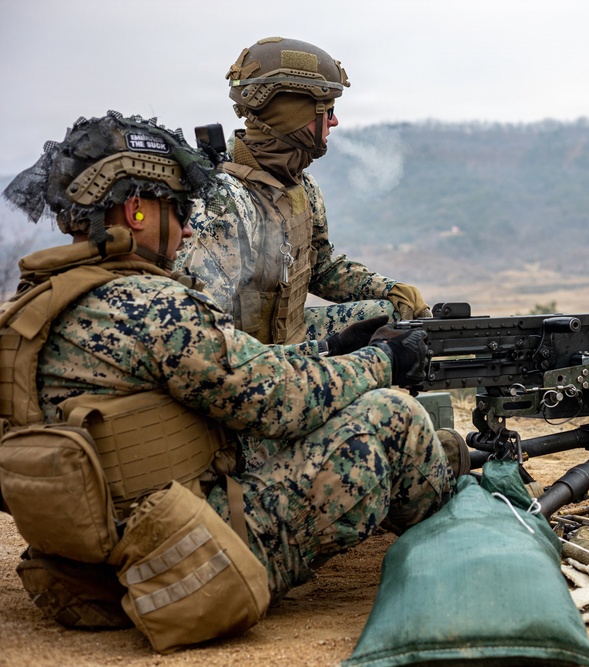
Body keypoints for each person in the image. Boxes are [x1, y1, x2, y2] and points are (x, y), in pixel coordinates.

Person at [0, 112, 454, 650]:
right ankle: (454, 514)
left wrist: (328, 350)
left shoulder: (30, 310)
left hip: (86, 568)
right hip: (184, 562)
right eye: (178, 209)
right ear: (135, 209)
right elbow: (283, 403)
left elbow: (229, 380)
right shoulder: (152, 305)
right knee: (393, 419)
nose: (189, 228)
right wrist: (384, 362)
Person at [177, 36, 431, 346]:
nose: (334, 121)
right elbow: (198, 339)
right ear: (292, 114)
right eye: (328, 109)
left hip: (287, 342)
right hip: (243, 362)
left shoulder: (300, 186)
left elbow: (320, 267)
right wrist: (322, 358)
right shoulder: (224, 202)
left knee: (388, 316)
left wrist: (390, 290)